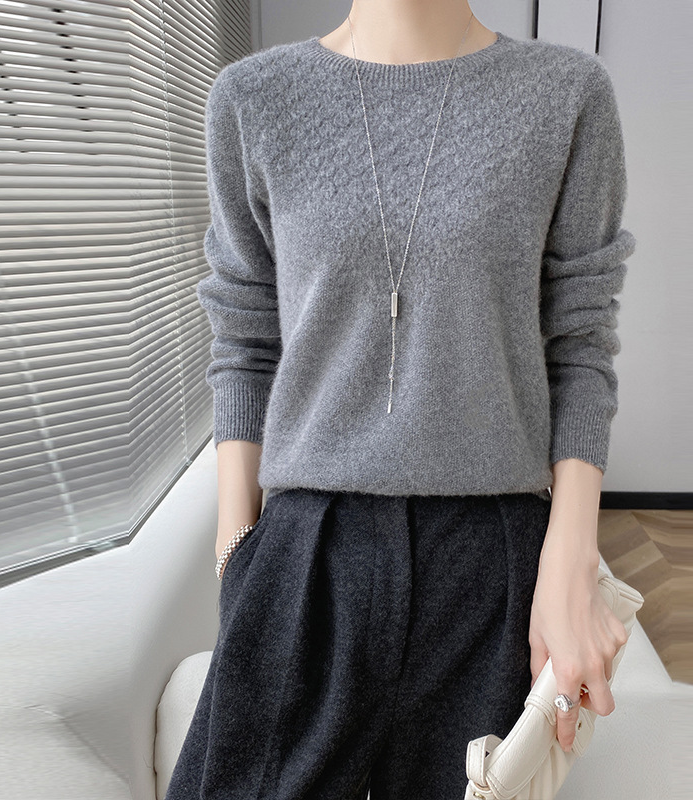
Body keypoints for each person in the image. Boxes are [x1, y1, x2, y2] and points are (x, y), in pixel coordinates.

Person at [165, 1, 636, 798]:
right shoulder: (253, 97)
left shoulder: (566, 93)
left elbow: (580, 345)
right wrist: (237, 557)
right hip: (307, 554)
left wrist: (570, 558)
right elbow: (244, 340)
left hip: (493, 561)